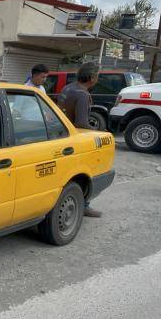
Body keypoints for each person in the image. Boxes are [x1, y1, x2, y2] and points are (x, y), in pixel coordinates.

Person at [57, 62, 102, 218]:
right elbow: (82, 123)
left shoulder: (67, 88)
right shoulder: (82, 94)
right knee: (85, 171)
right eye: (97, 75)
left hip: (61, 134)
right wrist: (98, 132)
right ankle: (84, 205)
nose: (98, 78)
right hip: (74, 138)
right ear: (92, 77)